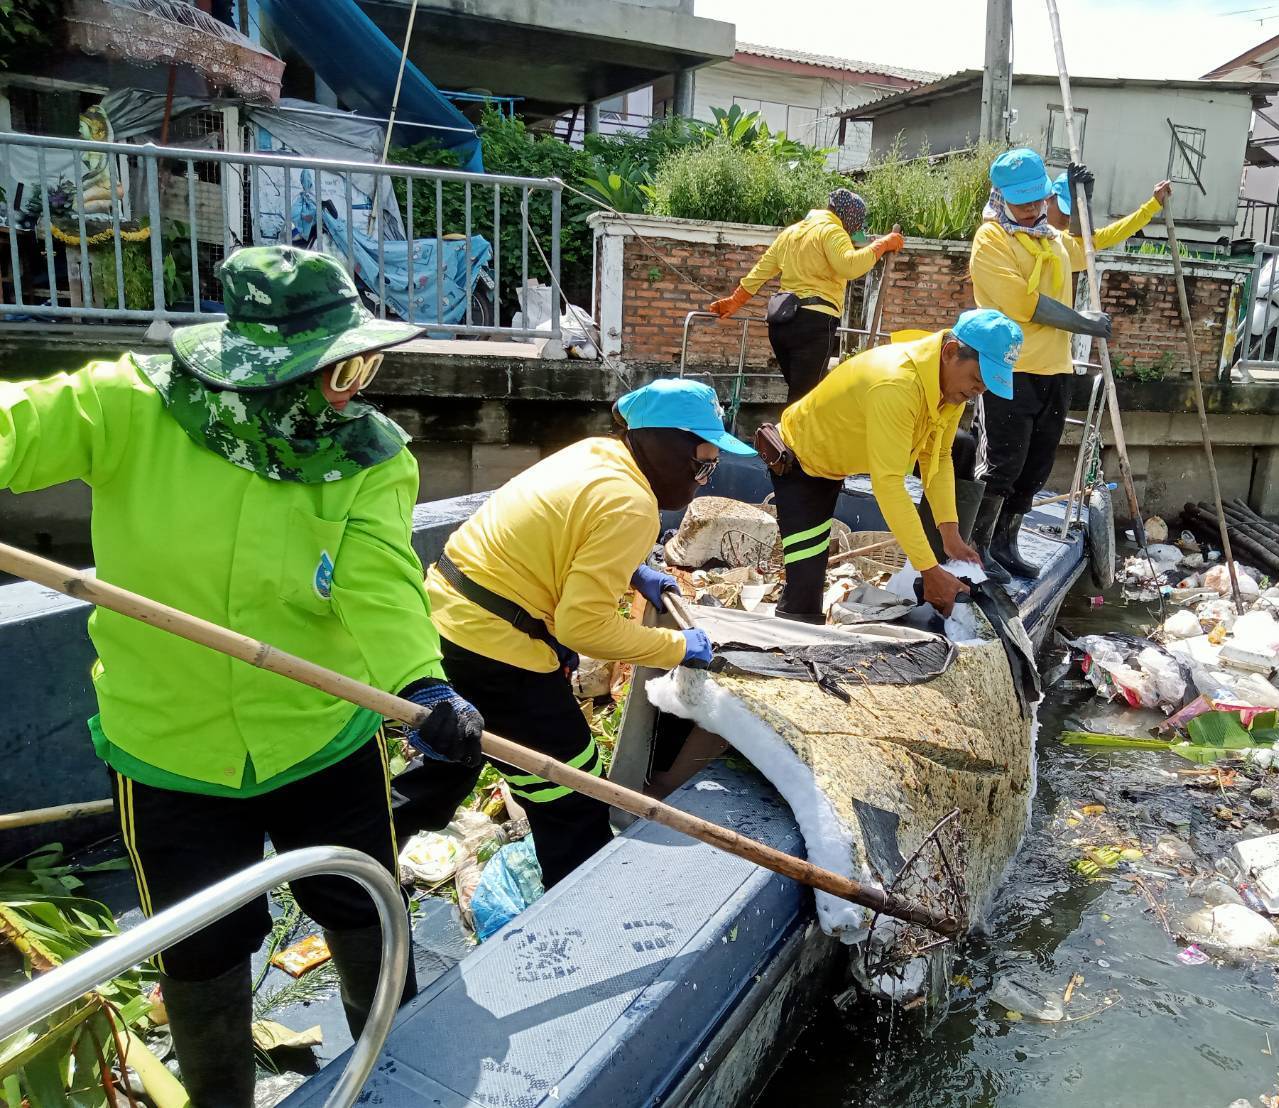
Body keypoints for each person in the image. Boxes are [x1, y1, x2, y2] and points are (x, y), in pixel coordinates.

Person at [0, 246, 487, 1107]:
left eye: (361, 367)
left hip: (320, 734)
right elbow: (16, 428)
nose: (350, 392)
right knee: (201, 952)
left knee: (364, 909)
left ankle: (393, 1068)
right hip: (168, 752)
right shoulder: (128, 405)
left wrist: (423, 685)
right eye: (336, 371)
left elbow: (378, 579)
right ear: (264, 367)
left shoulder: (368, 454)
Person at [421, 379, 755, 887]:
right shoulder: (632, 504)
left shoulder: (597, 454)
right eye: (701, 466)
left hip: (451, 612)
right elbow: (584, 627)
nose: (703, 481)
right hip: (493, 643)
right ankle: (580, 907)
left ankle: (376, 843)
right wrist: (677, 646)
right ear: (664, 446)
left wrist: (633, 570)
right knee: (572, 789)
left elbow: (571, 532)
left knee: (457, 750)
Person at [766, 308, 1023, 621]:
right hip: (802, 462)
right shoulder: (897, 384)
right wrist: (929, 570)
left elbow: (938, 456)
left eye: (984, 387)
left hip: (844, 457)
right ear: (950, 352)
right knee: (804, 599)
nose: (976, 392)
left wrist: (951, 535)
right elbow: (888, 484)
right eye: (977, 380)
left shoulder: (950, 388)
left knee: (962, 447)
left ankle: (933, 563)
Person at [967, 148, 1117, 583]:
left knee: (1035, 466)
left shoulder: (1050, 237)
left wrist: (1083, 202)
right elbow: (1023, 303)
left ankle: (1006, 544)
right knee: (1002, 462)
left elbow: (1087, 250)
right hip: (1007, 369)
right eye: (1023, 201)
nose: (1033, 208)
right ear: (1001, 197)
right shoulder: (992, 239)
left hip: (1055, 369)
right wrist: (1083, 322)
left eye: (1038, 199)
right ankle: (977, 547)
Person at [708, 188, 904, 403]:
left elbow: (760, 271)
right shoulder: (832, 230)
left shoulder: (791, 233)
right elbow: (849, 266)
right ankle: (791, 427)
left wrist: (735, 301)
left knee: (801, 395)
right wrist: (883, 244)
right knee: (804, 400)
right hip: (813, 324)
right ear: (849, 216)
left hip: (781, 325)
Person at [1046, 168, 1173, 246]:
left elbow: (1116, 232)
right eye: (1063, 210)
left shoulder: (1071, 242)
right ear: (1049, 199)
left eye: (1072, 214)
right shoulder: (1035, 235)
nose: (1067, 218)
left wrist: (1154, 204)